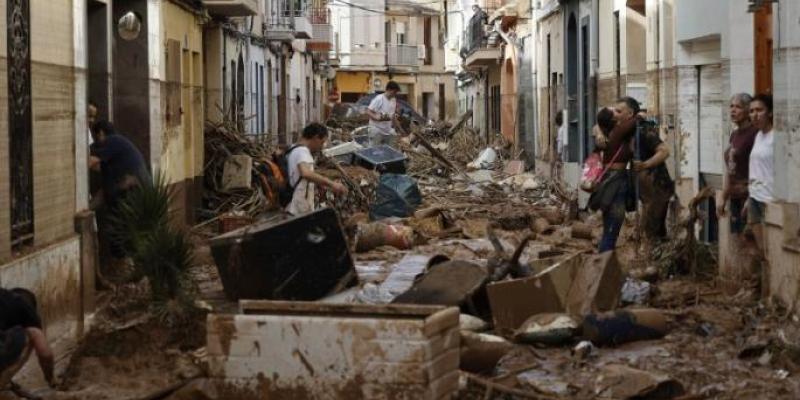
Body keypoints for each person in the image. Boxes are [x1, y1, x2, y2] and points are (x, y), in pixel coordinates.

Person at [89, 120, 151, 259]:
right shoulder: (115, 158)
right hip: (136, 197)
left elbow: (88, 161)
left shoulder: (111, 141)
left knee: (125, 236)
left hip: (133, 197)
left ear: (100, 134)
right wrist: (87, 208)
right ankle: (128, 270)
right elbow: (106, 192)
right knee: (124, 236)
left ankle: (128, 268)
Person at [591, 97, 641, 252]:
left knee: (609, 228)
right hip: (616, 181)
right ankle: (603, 267)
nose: (617, 114)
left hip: (608, 180)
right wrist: (641, 115)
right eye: (616, 112)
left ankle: (602, 264)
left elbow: (596, 126)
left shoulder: (608, 132)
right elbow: (636, 121)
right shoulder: (619, 131)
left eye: (619, 111)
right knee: (612, 228)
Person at [745, 94, 775, 296]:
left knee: (768, 250)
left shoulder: (777, 136)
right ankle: (760, 292)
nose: (755, 115)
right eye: (752, 111)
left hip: (769, 200)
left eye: (759, 110)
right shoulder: (758, 136)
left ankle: (771, 293)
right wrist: (749, 197)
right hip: (755, 197)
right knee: (757, 249)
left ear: (770, 112)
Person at [285, 123, 348, 216]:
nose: (321, 146)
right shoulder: (302, 152)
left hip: (293, 203)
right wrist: (332, 184)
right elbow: (305, 173)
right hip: (297, 207)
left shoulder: (293, 148)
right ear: (316, 137)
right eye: (322, 142)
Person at [718, 93, 758, 235]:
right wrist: (723, 197)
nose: (733, 110)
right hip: (734, 197)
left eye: (738, 107)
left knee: (749, 245)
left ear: (748, 110)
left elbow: (758, 169)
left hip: (748, 198)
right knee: (737, 242)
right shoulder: (734, 134)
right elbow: (730, 169)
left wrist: (750, 199)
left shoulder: (755, 134)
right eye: (731, 106)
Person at [0, 288, 55, 390]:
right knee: (32, 334)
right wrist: (50, 379)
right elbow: (45, 353)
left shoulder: (5, 300)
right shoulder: (24, 308)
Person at [632, 112, 673, 244]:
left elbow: (665, 151)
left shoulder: (644, 131)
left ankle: (655, 257)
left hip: (657, 182)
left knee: (654, 226)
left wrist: (645, 165)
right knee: (650, 224)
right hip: (648, 187)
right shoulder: (629, 133)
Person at [366, 81, 401, 147]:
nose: (395, 94)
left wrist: (398, 128)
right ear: (389, 89)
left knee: (389, 151)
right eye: (394, 92)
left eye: (396, 92)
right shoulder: (379, 99)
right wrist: (376, 117)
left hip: (387, 131)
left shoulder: (393, 100)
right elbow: (368, 111)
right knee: (374, 152)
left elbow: (392, 115)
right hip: (376, 130)